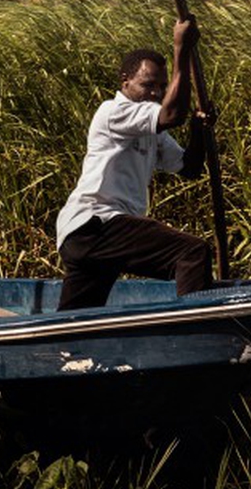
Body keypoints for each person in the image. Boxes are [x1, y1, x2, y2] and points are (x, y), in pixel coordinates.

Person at [54, 18, 213, 311]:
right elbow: (172, 114)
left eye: (162, 86)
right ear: (125, 82)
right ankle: (195, 331)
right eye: (148, 85)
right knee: (192, 253)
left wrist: (199, 129)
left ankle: (53, 351)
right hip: (95, 224)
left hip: (92, 238)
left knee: (75, 320)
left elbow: (189, 168)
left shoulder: (152, 130)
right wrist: (182, 49)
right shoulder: (114, 112)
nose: (155, 93)